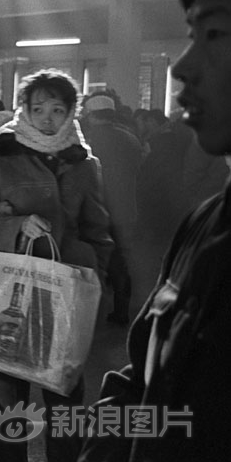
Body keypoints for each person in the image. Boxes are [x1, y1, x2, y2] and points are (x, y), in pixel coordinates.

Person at [73, 0, 231, 462]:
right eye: (191, 36)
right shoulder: (205, 227)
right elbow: (140, 385)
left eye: (214, 34)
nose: (183, 67)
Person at [0, 68, 113, 462]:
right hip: (14, 297)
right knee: (11, 403)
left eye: (57, 109)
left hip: (67, 296)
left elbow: (99, 230)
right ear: (23, 110)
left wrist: (94, 271)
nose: (47, 117)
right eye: (38, 107)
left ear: (71, 113)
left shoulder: (85, 164)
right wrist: (17, 225)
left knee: (66, 403)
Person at [81, 93, 144, 325]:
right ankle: (122, 310)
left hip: (97, 211)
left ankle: (91, 313)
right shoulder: (130, 138)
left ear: (91, 116)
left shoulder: (86, 140)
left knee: (97, 261)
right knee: (122, 261)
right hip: (127, 210)